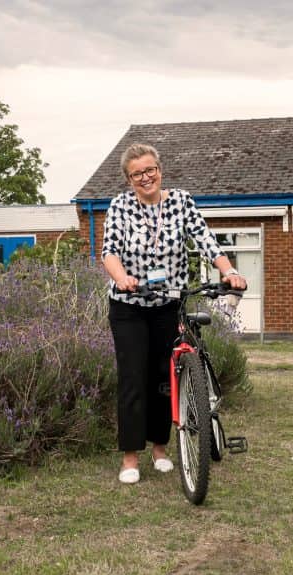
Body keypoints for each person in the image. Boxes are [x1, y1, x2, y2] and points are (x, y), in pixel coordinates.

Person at [101, 143, 247, 484]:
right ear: (128, 179)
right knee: (134, 378)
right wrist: (122, 278)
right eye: (137, 174)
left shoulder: (181, 201)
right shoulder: (120, 206)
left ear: (160, 170)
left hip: (168, 302)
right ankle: (130, 457)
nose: (145, 177)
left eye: (150, 170)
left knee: (165, 379)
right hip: (130, 305)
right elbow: (109, 251)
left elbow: (205, 239)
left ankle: (161, 448)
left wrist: (228, 271)